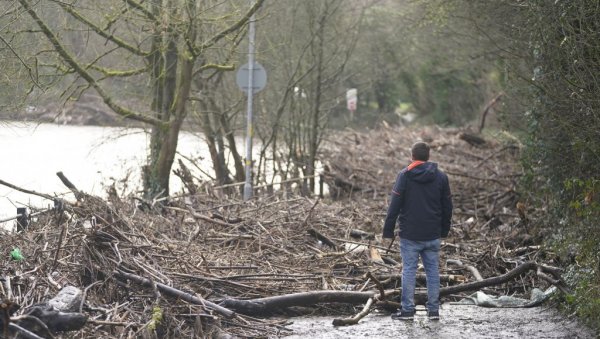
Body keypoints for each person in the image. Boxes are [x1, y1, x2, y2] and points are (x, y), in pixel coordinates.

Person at [382, 141, 453, 321]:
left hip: (410, 235)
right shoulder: (441, 177)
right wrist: (444, 230)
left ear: (412, 156)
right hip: (433, 234)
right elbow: (448, 207)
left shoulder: (404, 176)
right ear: (428, 156)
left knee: (409, 271)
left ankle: (407, 311)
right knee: (433, 272)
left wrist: (388, 230)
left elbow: (394, 205)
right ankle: (434, 311)